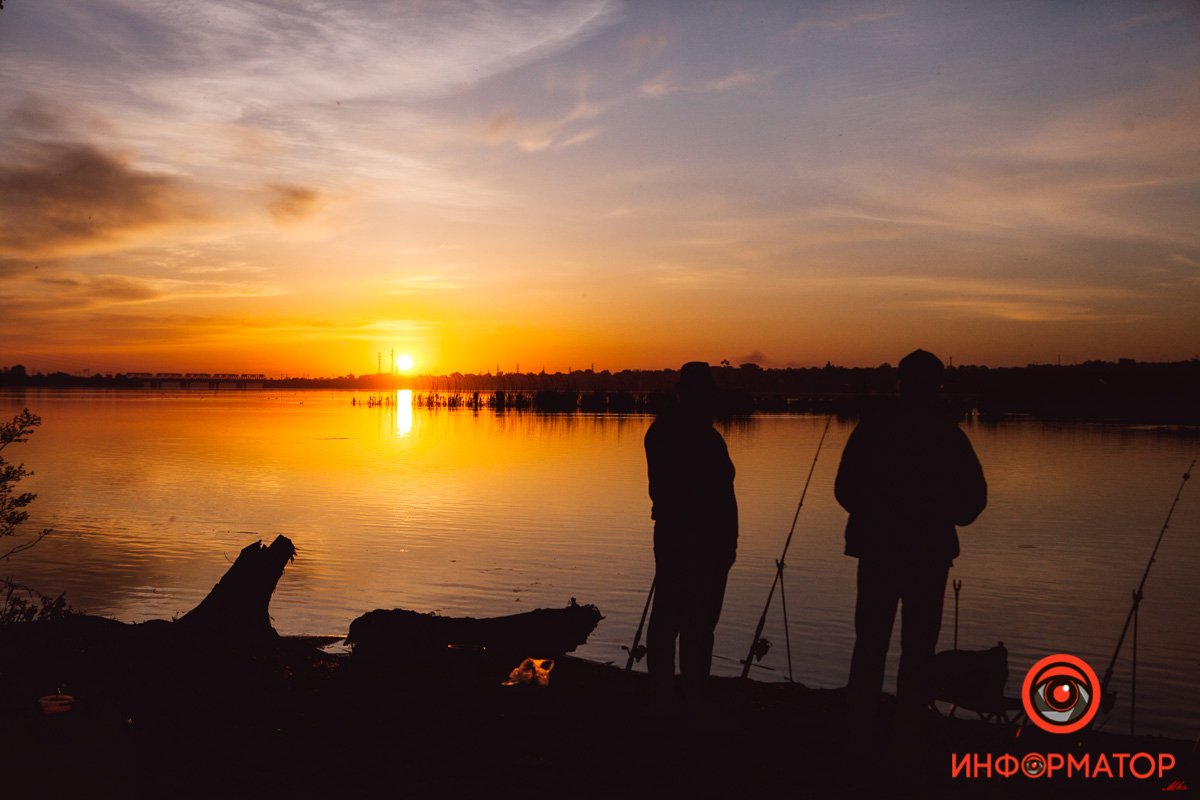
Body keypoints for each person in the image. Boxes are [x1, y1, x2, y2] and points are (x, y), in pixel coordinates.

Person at [835, 349, 987, 724]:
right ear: (935, 387)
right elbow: (973, 500)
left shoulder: (872, 430)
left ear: (900, 384)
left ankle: (862, 718)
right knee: (918, 644)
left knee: (872, 641)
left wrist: (875, 515)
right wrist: (943, 516)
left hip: (880, 551)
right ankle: (909, 720)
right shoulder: (948, 435)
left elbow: (845, 489)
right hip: (927, 554)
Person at [644, 361, 738, 702]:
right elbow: (687, 491)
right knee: (684, 619)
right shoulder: (689, 435)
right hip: (692, 539)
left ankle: (676, 689)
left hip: (695, 539)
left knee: (684, 619)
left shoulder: (671, 431)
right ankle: (679, 691)